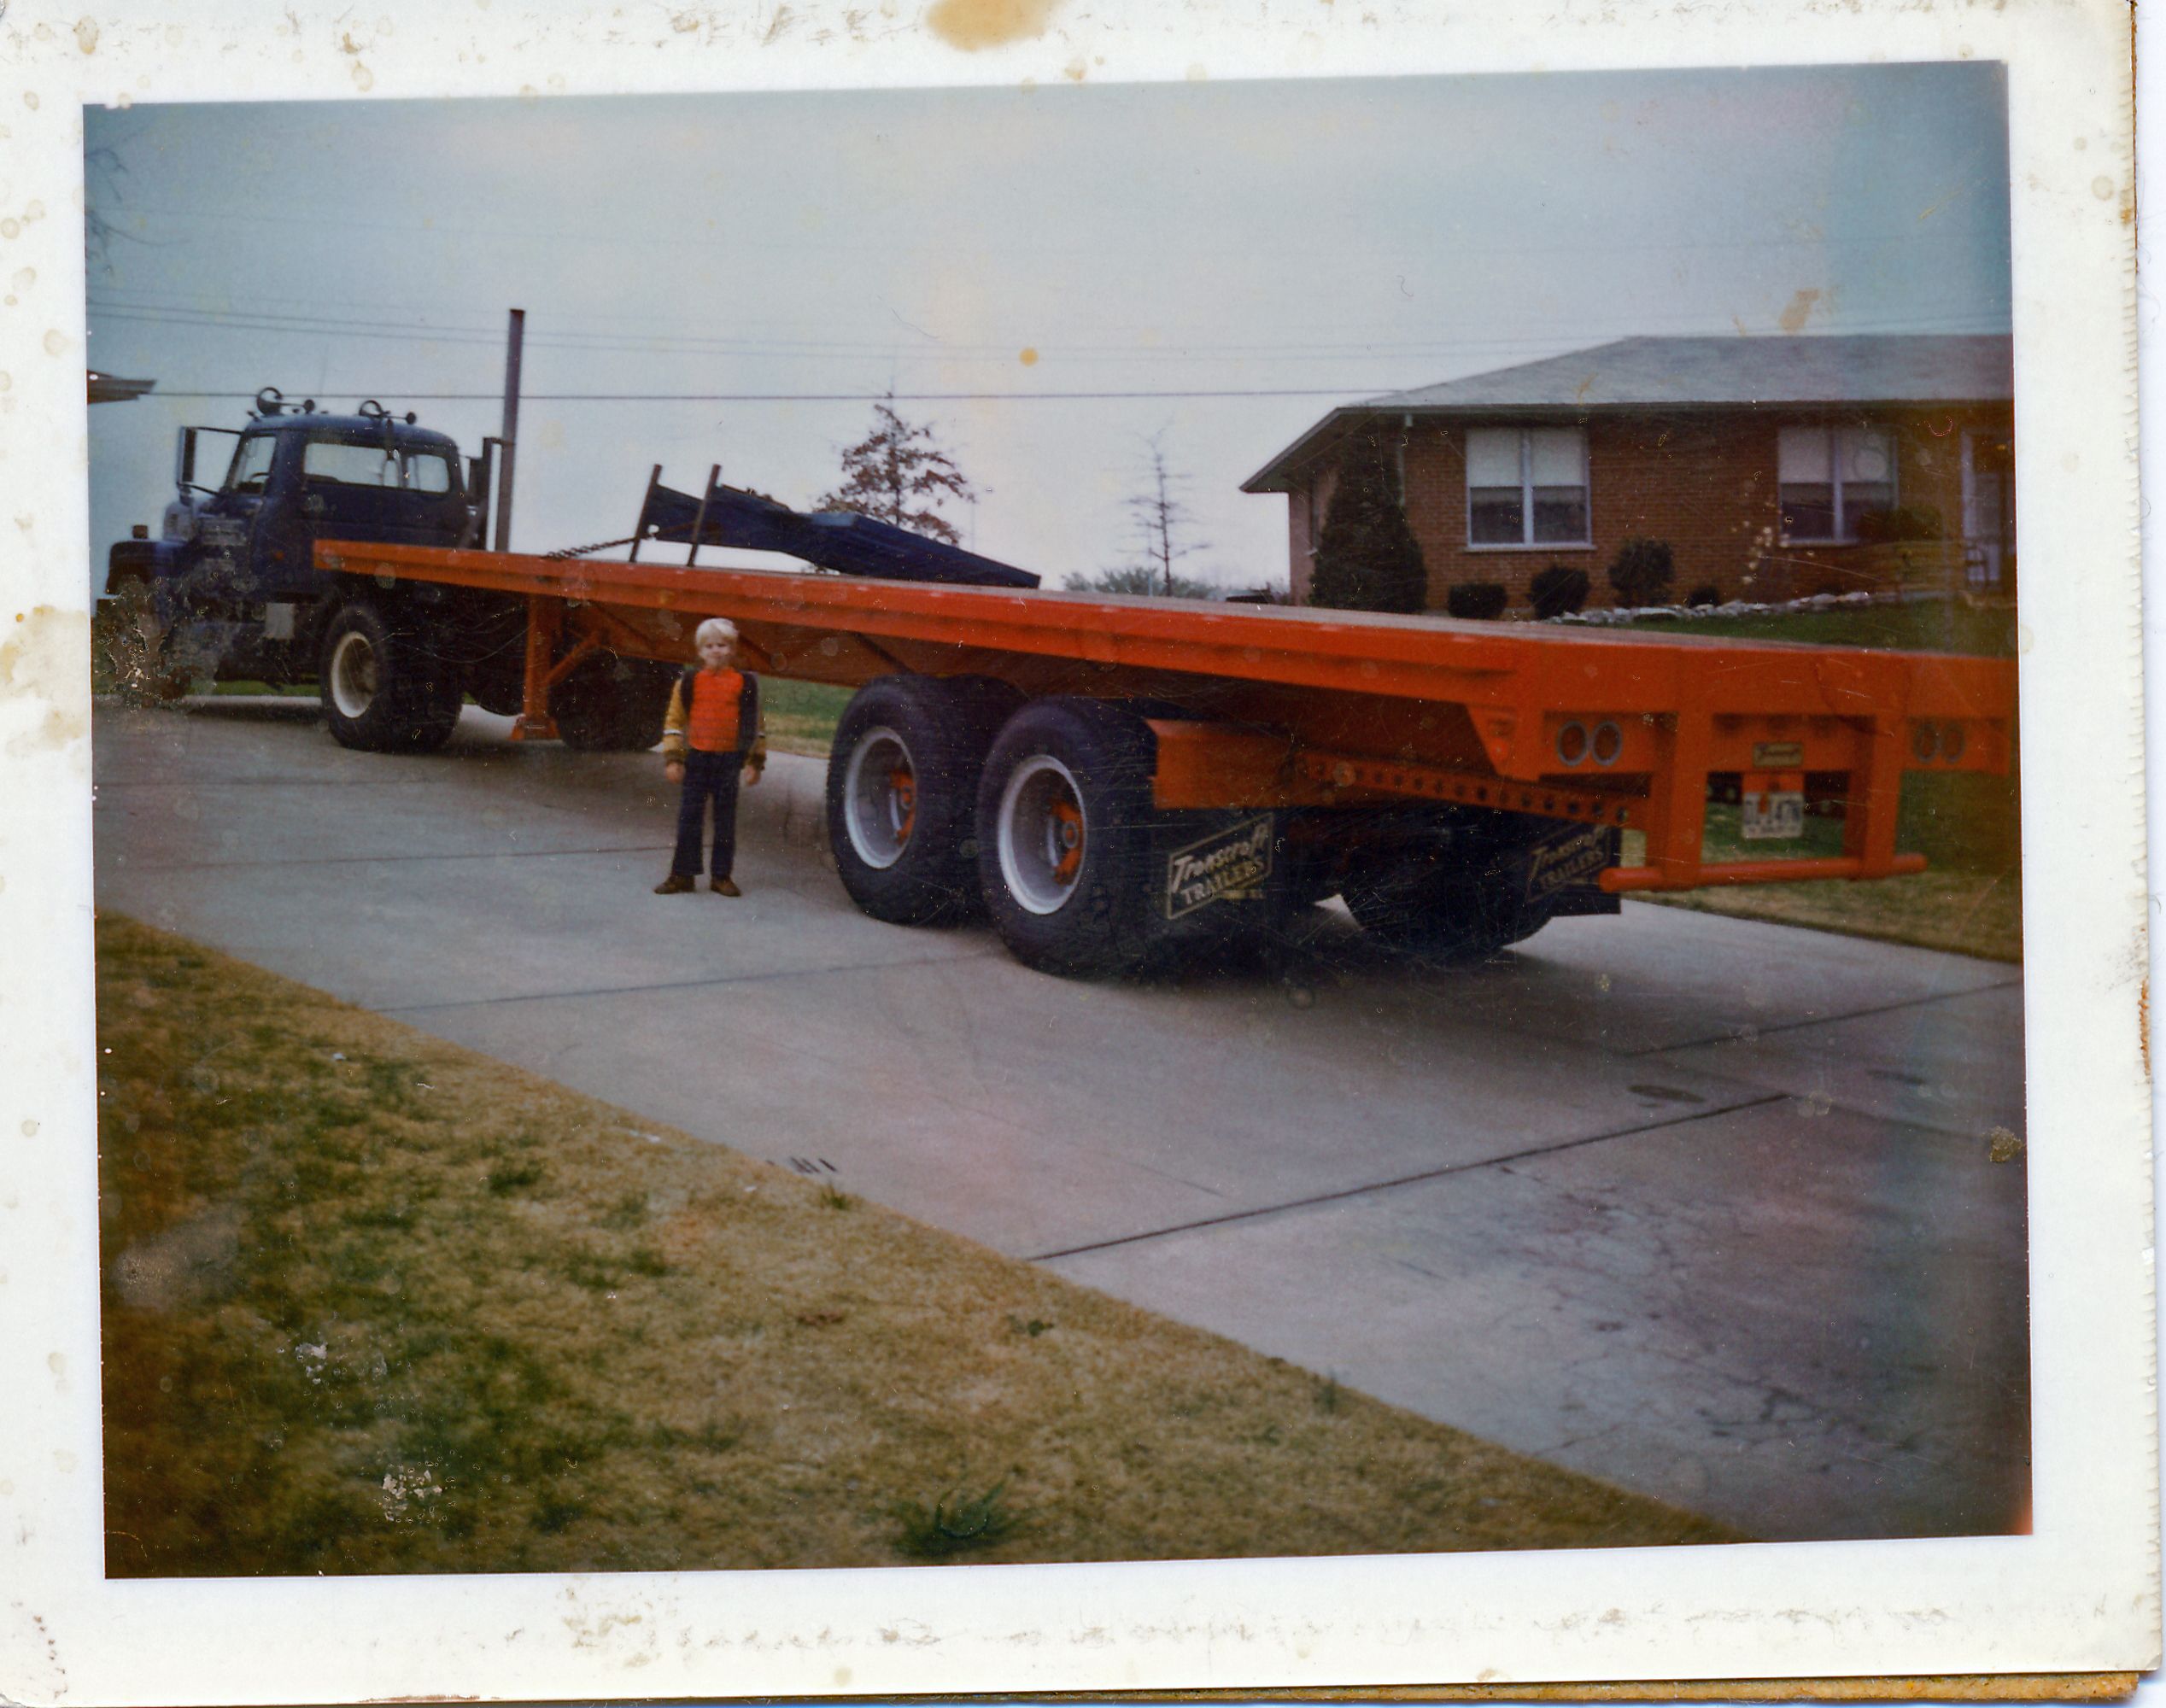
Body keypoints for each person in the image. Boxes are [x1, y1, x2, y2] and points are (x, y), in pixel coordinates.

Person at [654, 617, 766, 896]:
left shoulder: (744, 683)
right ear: (700, 651)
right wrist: (673, 758)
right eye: (710, 646)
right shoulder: (688, 682)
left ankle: (721, 876)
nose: (716, 651)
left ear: (733, 650)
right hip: (697, 760)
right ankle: (683, 875)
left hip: (729, 761)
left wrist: (754, 762)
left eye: (723, 645)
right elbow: (674, 721)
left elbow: (755, 726)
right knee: (689, 817)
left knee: (725, 821)